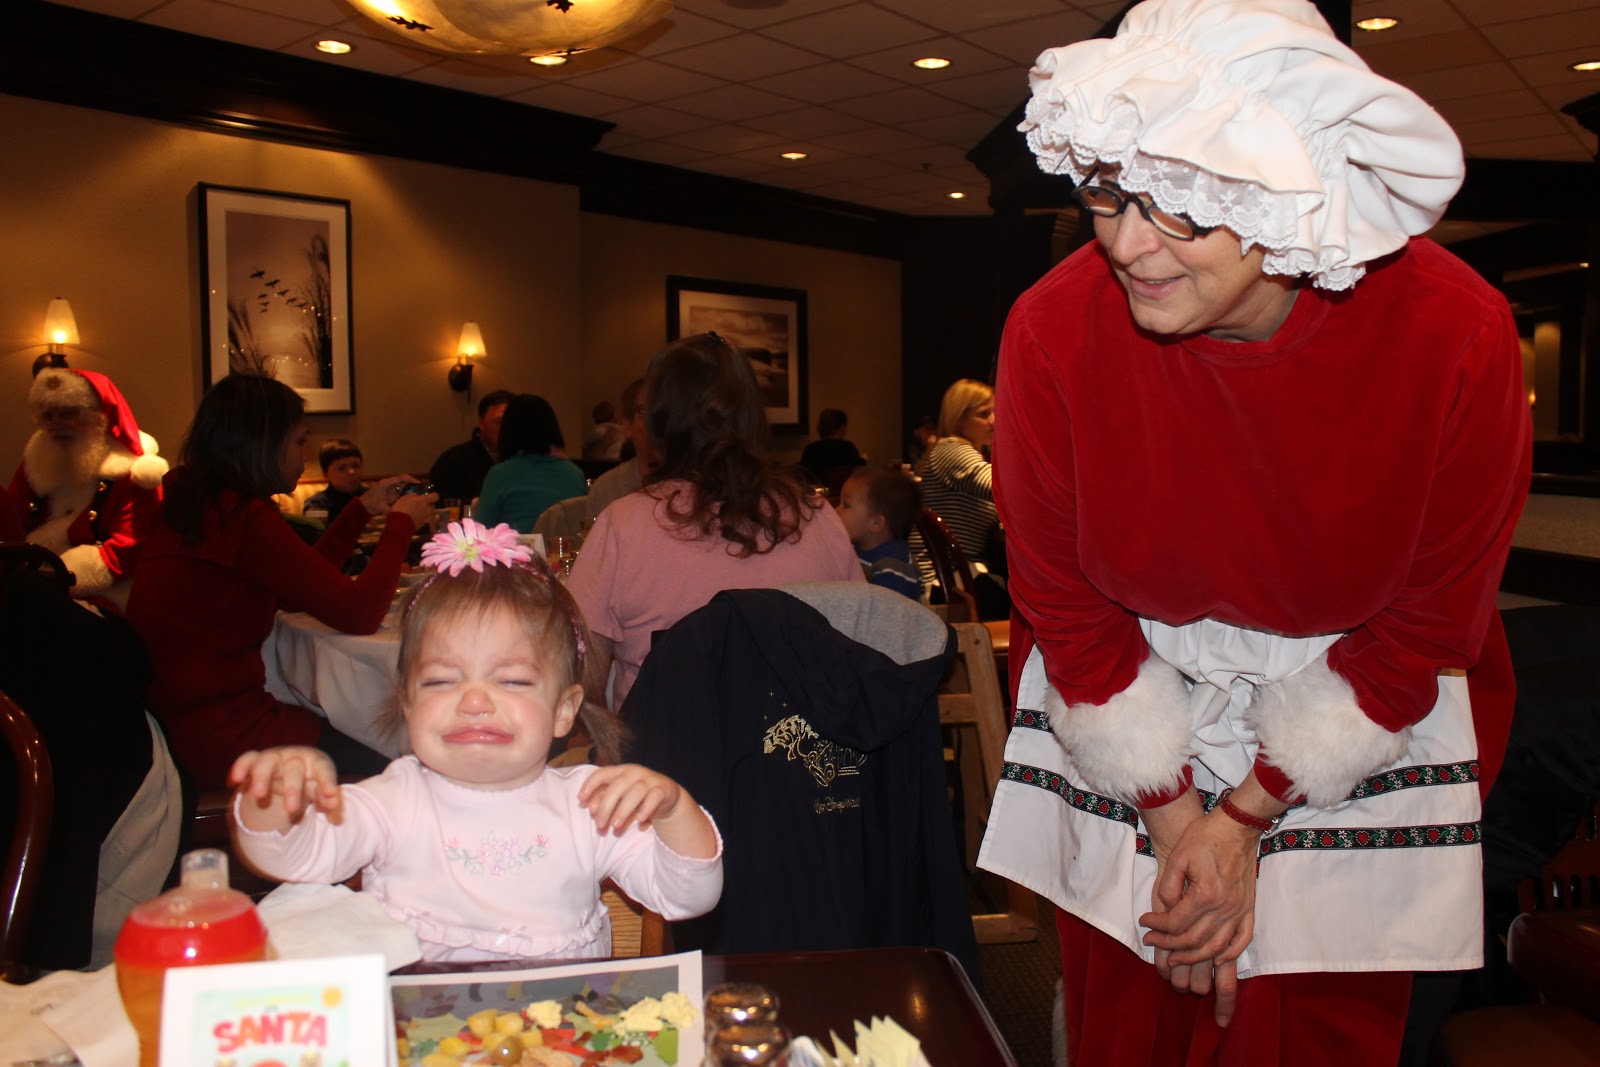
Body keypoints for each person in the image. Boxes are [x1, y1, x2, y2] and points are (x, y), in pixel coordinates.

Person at [976, 1, 1531, 1062]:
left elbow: (1424, 624)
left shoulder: (1453, 333)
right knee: (1128, 1019)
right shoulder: (1051, 327)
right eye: (1109, 192)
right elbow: (1062, 600)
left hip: (1353, 705)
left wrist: (1243, 818)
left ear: (1288, 191)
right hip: (1123, 692)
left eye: (1179, 206)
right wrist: (1175, 812)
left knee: (1305, 1030)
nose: (1127, 243)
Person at [229, 520, 723, 962]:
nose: (473, 702)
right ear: (407, 704)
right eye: (442, 681)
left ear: (563, 711)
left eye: (512, 681)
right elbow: (292, 857)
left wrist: (674, 809)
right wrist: (273, 799)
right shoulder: (393, 799)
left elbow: (684, 897)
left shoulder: (588, 804)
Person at [125, 373, 438, 791]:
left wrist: (361, 509)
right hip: (226, 737)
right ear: (263, 445)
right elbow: (360, 614)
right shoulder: (242, 518)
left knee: (354, 726)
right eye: (298, 441)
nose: (302, 453)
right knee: (396, 755)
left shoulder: (198, 504)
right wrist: (401, 524)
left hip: (175, 725)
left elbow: (299, 586)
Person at [567, 332, 863, 711]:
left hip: (664, 763)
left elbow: (578, 676)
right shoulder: (819, 517)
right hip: (800, 760)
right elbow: (858, 646)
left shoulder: (623, 524)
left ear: (659, 422)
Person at [7, 367, 168, 612]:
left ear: (98, 416)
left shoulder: (132, 470)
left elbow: (131, 546)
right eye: (48, 416)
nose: (56, 425)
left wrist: (62, 579)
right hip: (33, 586)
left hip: (106, 595)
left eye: (67, 414)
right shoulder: (36, 460)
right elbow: (11, 521)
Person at [915, 379, 1008, 619]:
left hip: (958, 571)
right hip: (948, 579)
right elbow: (1000, 488)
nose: (994, 420)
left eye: (995, 412)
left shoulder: (965, 451)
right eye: (984, 414)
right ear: (959, 418)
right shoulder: (952, 449)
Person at [476, 394, 587, 534]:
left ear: (508, 430)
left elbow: (480, 532)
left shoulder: (500, 475)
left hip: (521, 553)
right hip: (564, 552)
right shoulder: (574, 473)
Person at [836, 469, 921, 601]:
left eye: (845, 505)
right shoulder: (854, 550)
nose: (835, 511)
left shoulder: (893, 569)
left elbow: (888, 618)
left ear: (876, 523)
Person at [427, 389, 512, 504]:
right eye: (500, 423)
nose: (508, 429)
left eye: (513, 423)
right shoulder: (453, 461)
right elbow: (443, 505)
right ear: (481, 423)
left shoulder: (526, 461)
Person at [586, 378, 651, 520]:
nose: (657, 422)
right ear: (627, 425)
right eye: (645, 413)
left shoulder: (699, 488)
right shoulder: (608, 489)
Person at [799, 407, 866, 496]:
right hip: (843, 497)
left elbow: (803, 477)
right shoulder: (848, 448)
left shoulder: (811, 449)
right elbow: (860, 472)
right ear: (842, 427)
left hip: (817, 498)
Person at [302, 438, 364, 525]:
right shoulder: (318, 504)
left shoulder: (371, 496)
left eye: (356, 466)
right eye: (341, 468)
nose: (351, 472)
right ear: (326, 474)